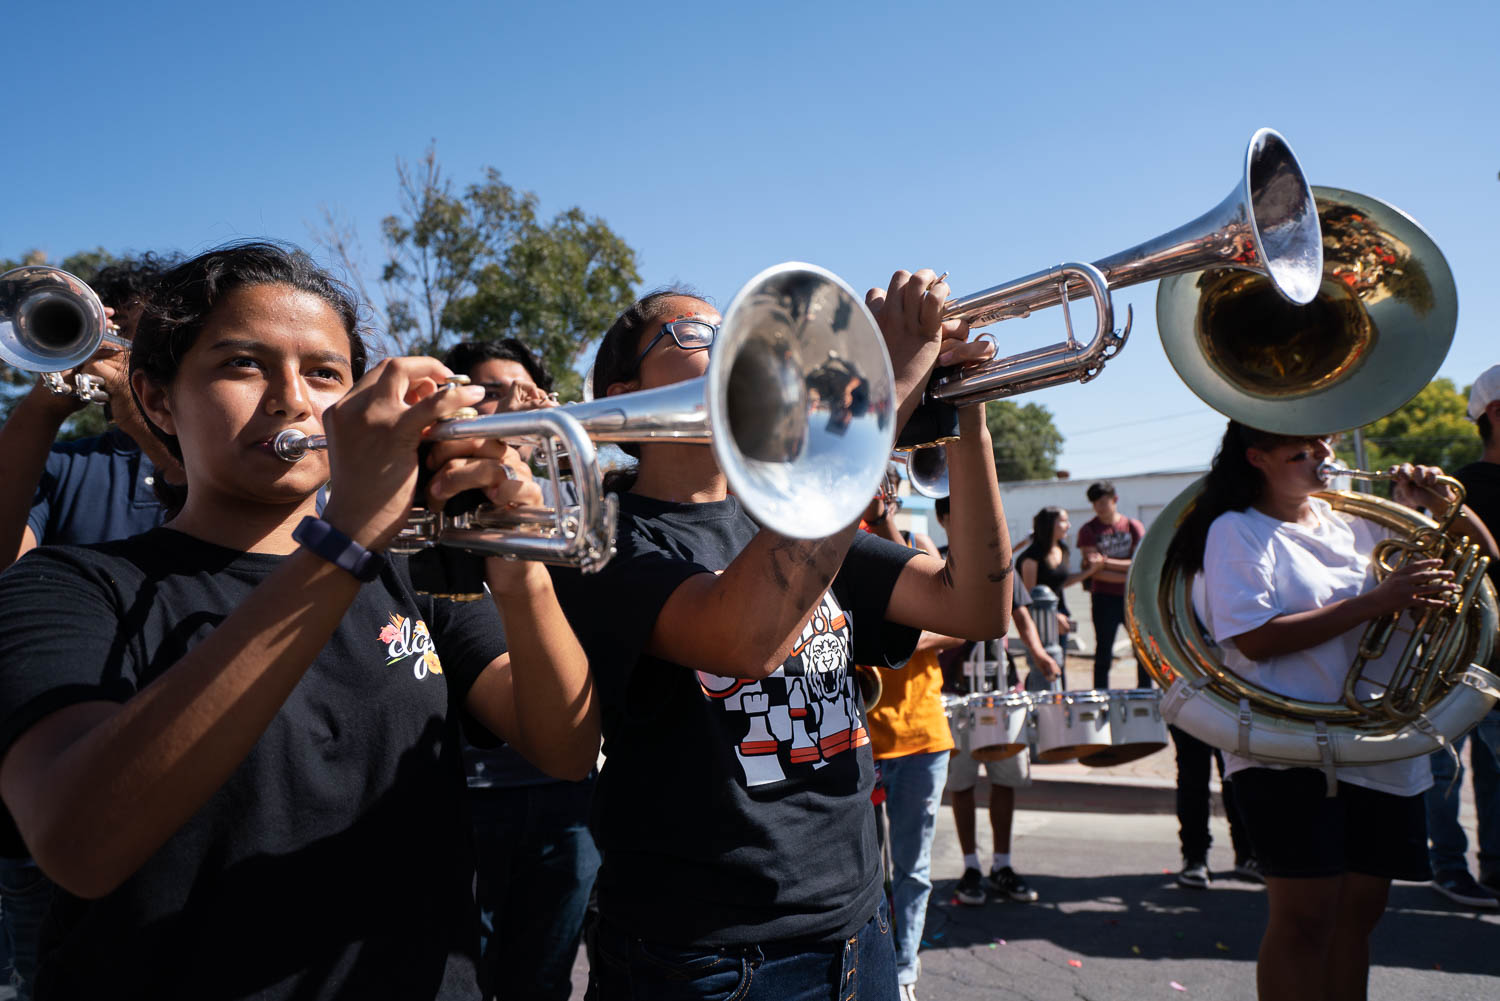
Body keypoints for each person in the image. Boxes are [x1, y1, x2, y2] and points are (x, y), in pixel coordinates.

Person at [0, 242, 599, 1001]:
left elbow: (567, 745)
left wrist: (518, 562)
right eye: (242, 365)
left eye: (324, 373)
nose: (291, 399)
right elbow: (78, 841)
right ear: (154, 400)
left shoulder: (402, 572)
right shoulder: (69, 584)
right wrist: (345, 538)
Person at [549, 271, 1009, 1001]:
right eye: (695, 334)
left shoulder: (789, 510)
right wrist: (876, 404)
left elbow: (975, 605)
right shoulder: (596, 540)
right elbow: (739, 635)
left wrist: (967, 417)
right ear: (619, 396)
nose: (733, 343)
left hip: (859, 925)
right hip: (706, 957)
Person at [1171, 420, 1497, 1001]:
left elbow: (1483, 563)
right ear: (1257, 457)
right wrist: (1379, 600)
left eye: (1326, 441)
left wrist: (1444, 507)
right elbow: (1255, 639)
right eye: (1304, 446)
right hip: (1286, 747)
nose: (1323, 453)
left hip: (1377, 743)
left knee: (1360, 916)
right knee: (1305, 919)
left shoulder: (1359, 519)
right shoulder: (1236, 530)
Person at [0, 253, 182, 1001]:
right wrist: (44, 401)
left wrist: (148, 427)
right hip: (55, 798)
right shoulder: (60, 462)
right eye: (117, 337)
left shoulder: (224, 463)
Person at [442, 338, 602, 1000]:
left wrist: (556, 448)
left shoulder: (580, 500)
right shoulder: (440, 502)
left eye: (523, 392)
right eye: (489, 393)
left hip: (570, 794)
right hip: (469, 792)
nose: (510, 404)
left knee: (543, 977)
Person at [861, 490, 961, 1001]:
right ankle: (872, 966)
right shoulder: (830, 540)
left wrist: (889, 643)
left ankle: (903, 971)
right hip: (857, 737)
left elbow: (957, 624)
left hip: (920, 734)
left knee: (912, 867)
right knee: (861, 873)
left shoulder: (918, 544)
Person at [937, 497, 1058, 909]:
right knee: (963, 783)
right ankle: (971, 867)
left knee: (1006, 778)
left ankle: (1002, 864)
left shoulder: (1000, 560)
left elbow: (1022, 614)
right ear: (943, 519)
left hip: (1003, 690)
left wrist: (1038, 652)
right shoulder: (932, 561)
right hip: (954, 695)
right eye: (960, 514)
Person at [1423, 368, 1500, 908]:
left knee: (1490, 778)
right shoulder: (1457, 492)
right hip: (1458, 662)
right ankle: (1447, 868)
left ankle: (1493, 870)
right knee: (1445, 772)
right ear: (1495, 412)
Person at [1169, 724, 1259, 889]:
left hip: (1233, 704)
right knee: (1193, 774)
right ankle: (1194, 857)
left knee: (1237, 773)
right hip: (1192, 704)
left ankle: (1246, 853)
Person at [1077, 481, 1146, 690]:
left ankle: (1144, 692)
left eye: (1103, 501)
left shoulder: (1132, 526)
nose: (1099, 506)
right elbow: (1093, 569)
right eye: (1095, 503)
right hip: (1103, 598)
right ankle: (1101, 695)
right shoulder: (1088, 530)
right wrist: (1125, 570)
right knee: (1103, 651)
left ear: (1114, 500)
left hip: (1131, 597)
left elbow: (1139, 563)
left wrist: (1105, 562)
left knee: (1142, 649)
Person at [1015, 506, 1095, 661]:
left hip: (1062, 616)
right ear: (1050, 524)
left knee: (1060, 664)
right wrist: (1052, 617)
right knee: (1043, 666)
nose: (1069, 525)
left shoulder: (1062, 549)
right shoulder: (1031, 557)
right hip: (1040, 621)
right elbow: (1029, 597)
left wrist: (1090, 571)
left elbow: (1061, 583)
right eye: (1064, 521)